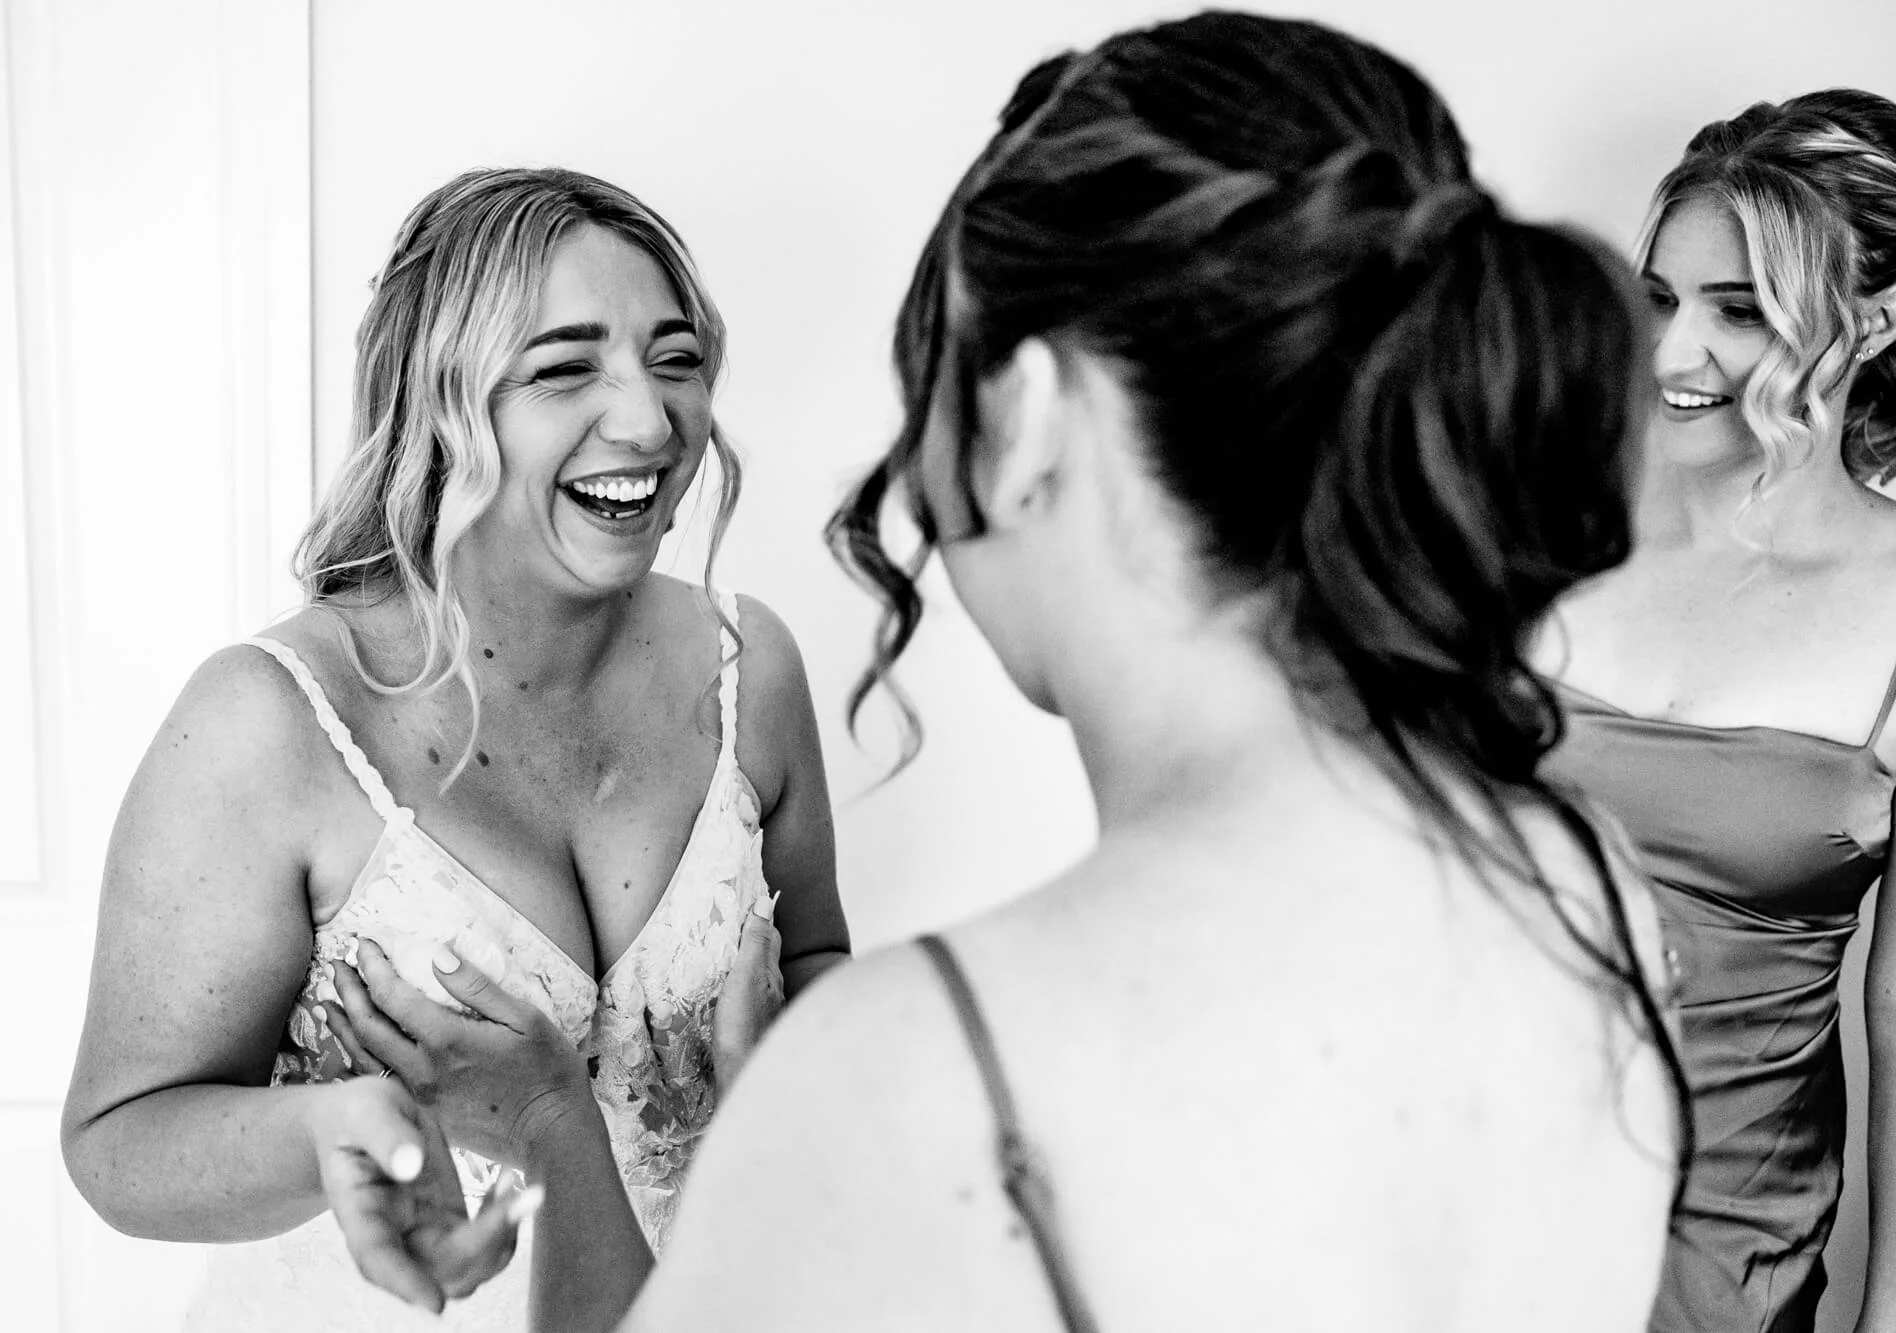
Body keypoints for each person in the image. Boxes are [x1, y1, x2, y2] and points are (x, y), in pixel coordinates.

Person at [332, 14, 1693, 1330]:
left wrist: (558, 1126)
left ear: (1029, 414)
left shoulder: (925, 1062)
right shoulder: (1585, 889)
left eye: (933, 379)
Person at [58, 166, 849, 1332]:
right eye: (565, 367)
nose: (649, 421)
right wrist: (336, 1127)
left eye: (675, 358)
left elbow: (816, 956)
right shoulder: (269, 722)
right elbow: (116, 1142)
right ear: (434, 402)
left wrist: (786, 1076)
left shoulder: (749, 670)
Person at [1536, 90, 1896, 1333]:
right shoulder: (1543, 519)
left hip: (1712, 1265)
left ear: (1875, 318)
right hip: (1437, 1203)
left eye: (1736, 311)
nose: (1669, 354)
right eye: (1657, 299)